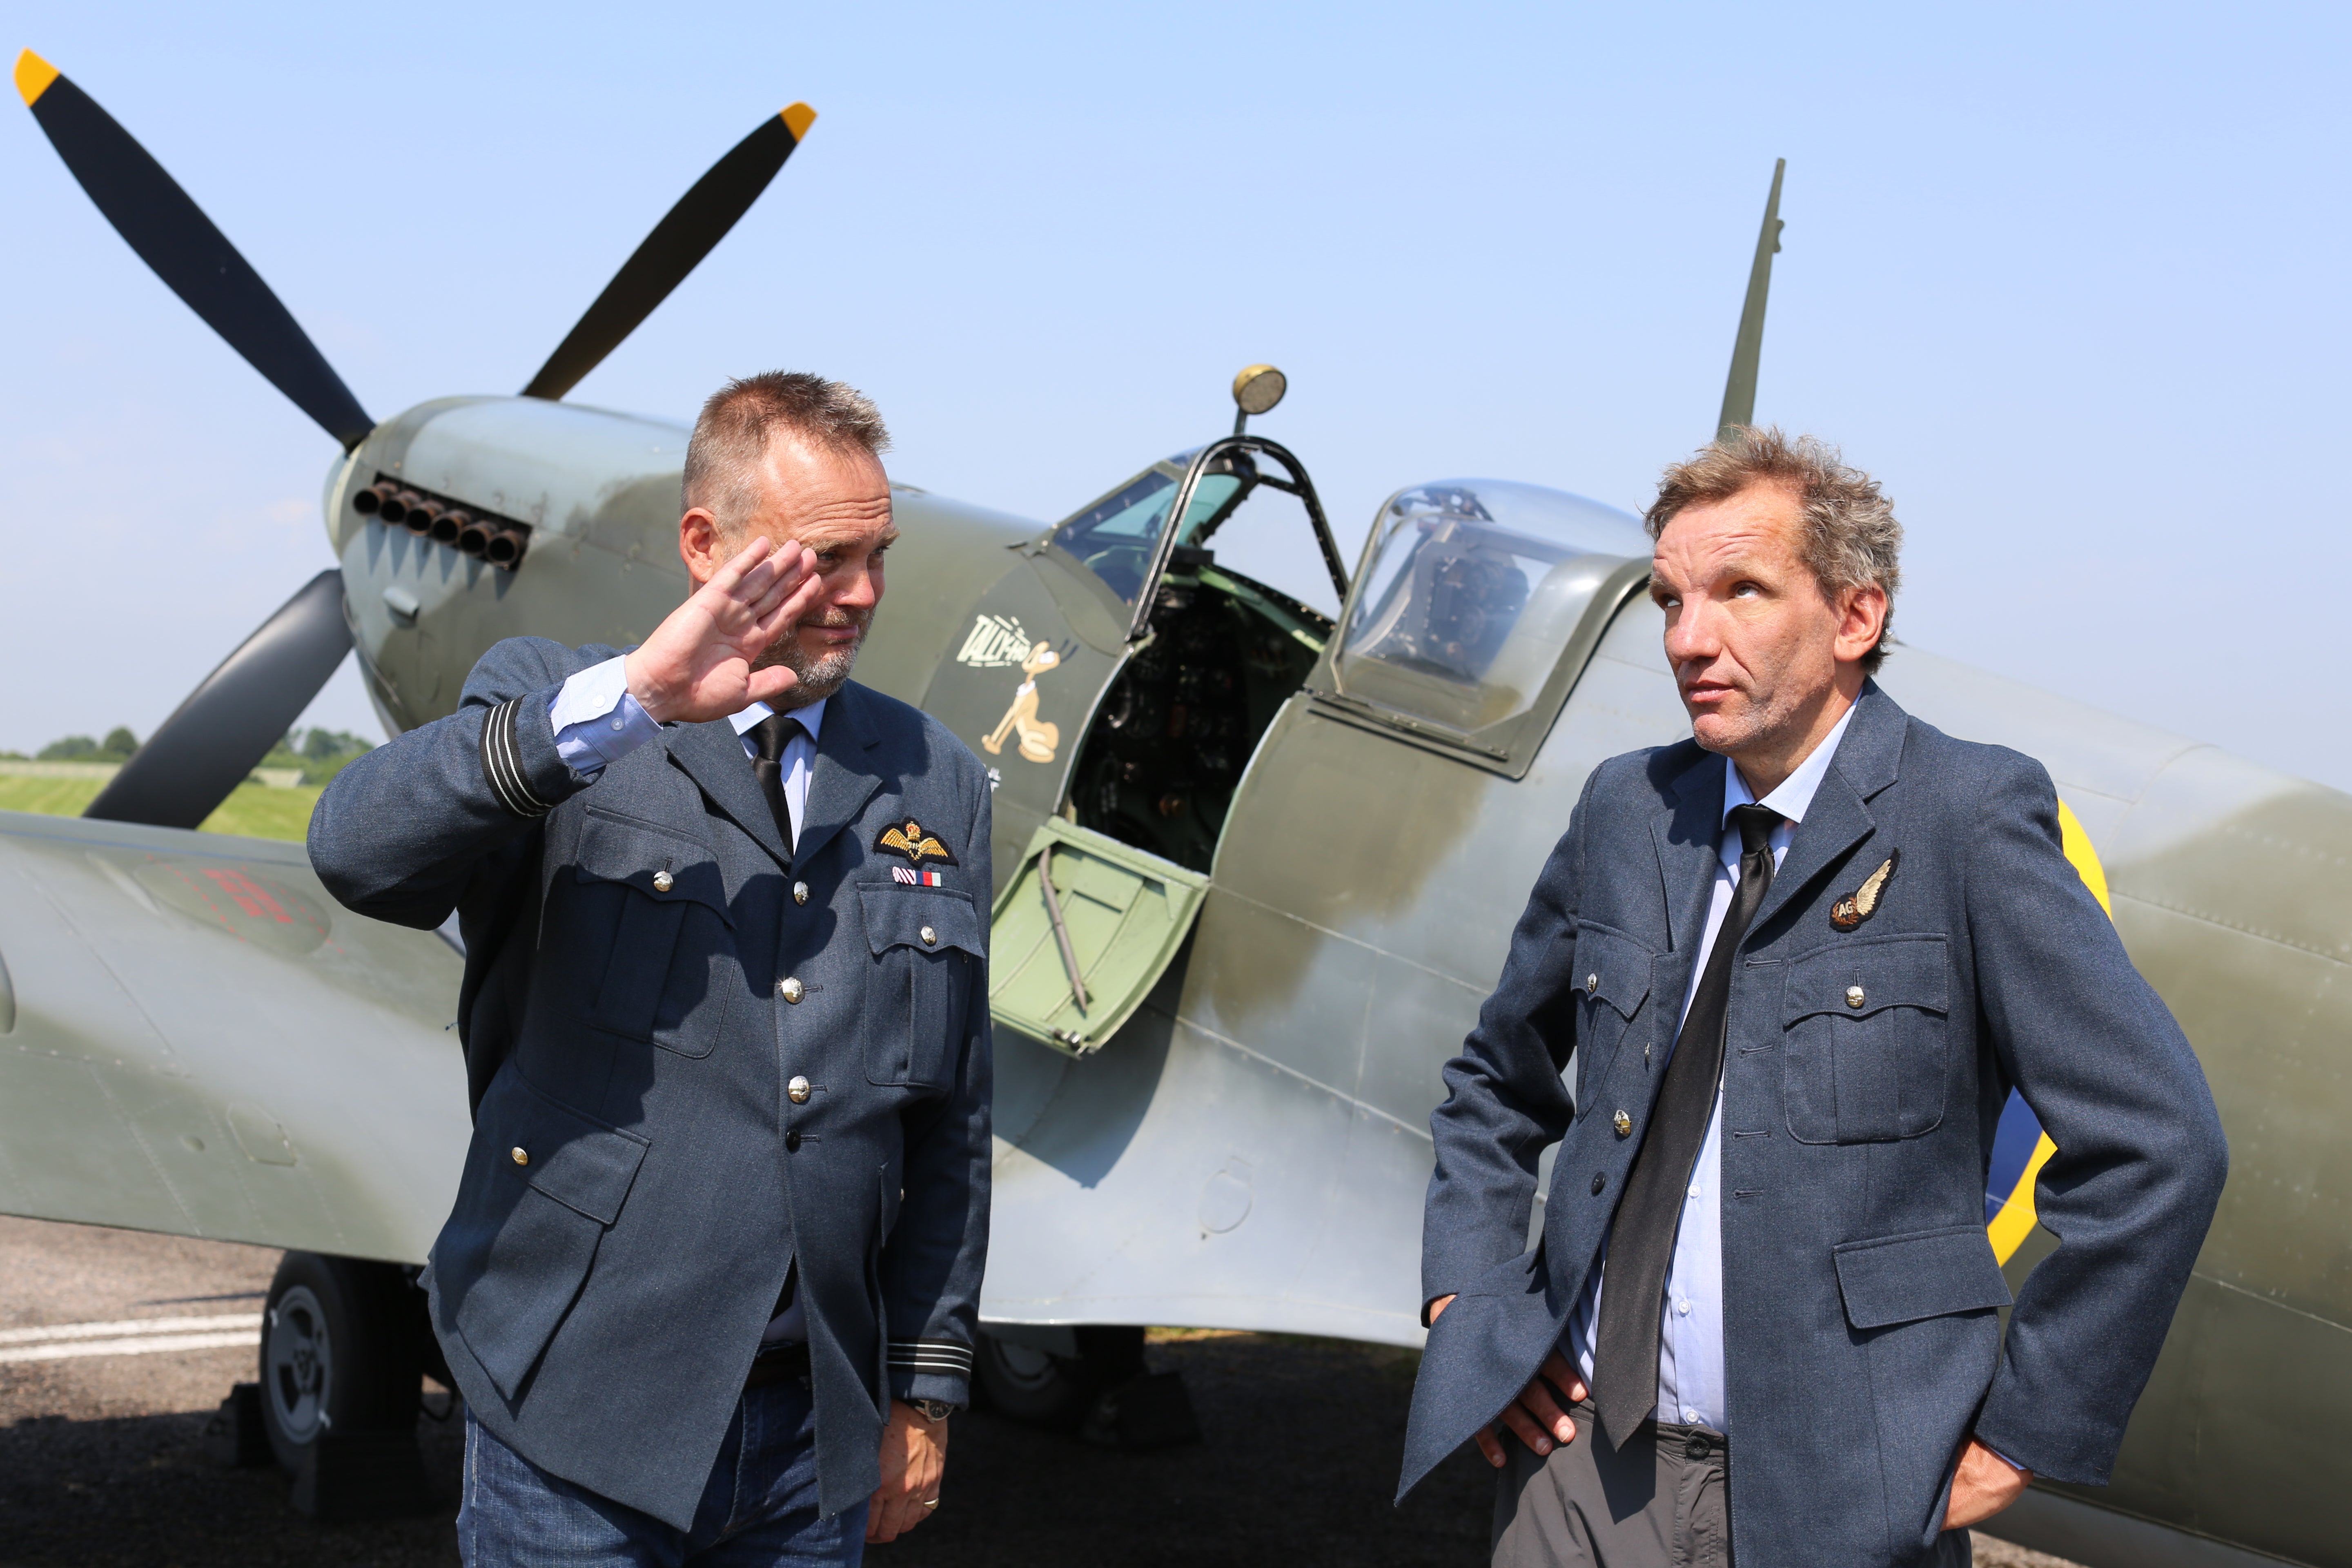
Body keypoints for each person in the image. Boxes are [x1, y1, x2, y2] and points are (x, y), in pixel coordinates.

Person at [1396, 430, 2227, 1568]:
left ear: (1855, 618)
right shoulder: (1625, 809)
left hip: (1845, 1495)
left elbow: (2161, 1143)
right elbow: (1497, 1082)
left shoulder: (1969, 815)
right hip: (1581, 1470)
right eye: (1671, 601)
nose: (1691, 639)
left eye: (1742, 591)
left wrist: (2026, 1430)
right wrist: (1470, 1308)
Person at [311, 372, 992, 1565]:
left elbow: (949, 1126)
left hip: (810, 1445)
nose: (864, 594)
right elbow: (357, 853)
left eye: (878, 553)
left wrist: (922, 1391)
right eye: (825, 560)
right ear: (702, 544)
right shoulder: (562, 707)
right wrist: (630, 703)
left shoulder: (930, 775)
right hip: (577, 1414)